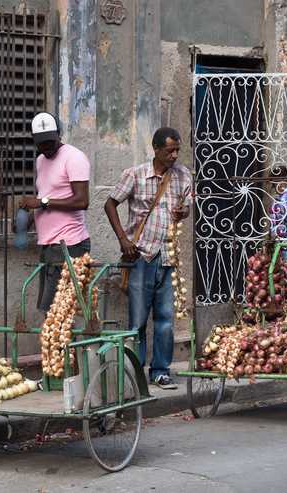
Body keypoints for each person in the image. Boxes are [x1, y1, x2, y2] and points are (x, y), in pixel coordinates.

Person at [104, 127, 192, 390]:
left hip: (168, 256)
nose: (174, 155)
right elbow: (110, 204)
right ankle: (135, 372)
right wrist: (123, 239)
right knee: (138, 320)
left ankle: (161, 370)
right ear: (156, 149)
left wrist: (183, 211)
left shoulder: (184, 175)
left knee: (165, 318)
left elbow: (186, 208)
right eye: (169, 151)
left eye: (177, 150)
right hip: (141, 255)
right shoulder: (135, 174)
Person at [19, 112, 91, 311]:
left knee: (58, 311)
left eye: (50, 142)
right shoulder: (41, 160)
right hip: (50, 246)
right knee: (53, 310)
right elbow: (47, 195)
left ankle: (67, 343)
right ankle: (63, 343)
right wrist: (29, 219)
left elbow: (82, 200)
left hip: (70, 244)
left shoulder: (74, 158)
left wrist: (41, 202)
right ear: (34, 141)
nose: (46, 147)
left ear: (59, 134)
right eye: (41, 143)